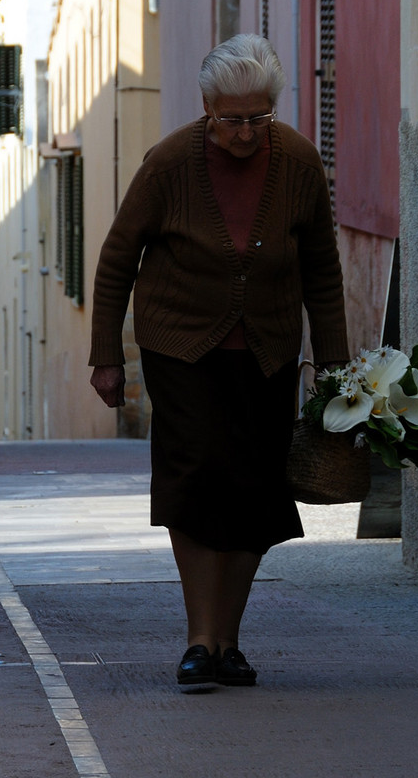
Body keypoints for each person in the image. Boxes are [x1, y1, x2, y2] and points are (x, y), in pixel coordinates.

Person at [87, 34, 347, 689]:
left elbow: (321, 271)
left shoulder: (297, 163)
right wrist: (104, 358)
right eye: (230, 119)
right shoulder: (169, 163)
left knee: (254, 490)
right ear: (206, 107)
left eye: (257, 118)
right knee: (195, 482)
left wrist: (334, 366)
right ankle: (198, 639)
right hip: (181, 349)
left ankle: (228, 641)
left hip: (266, 350)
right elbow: (118, 258)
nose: (243, 133)